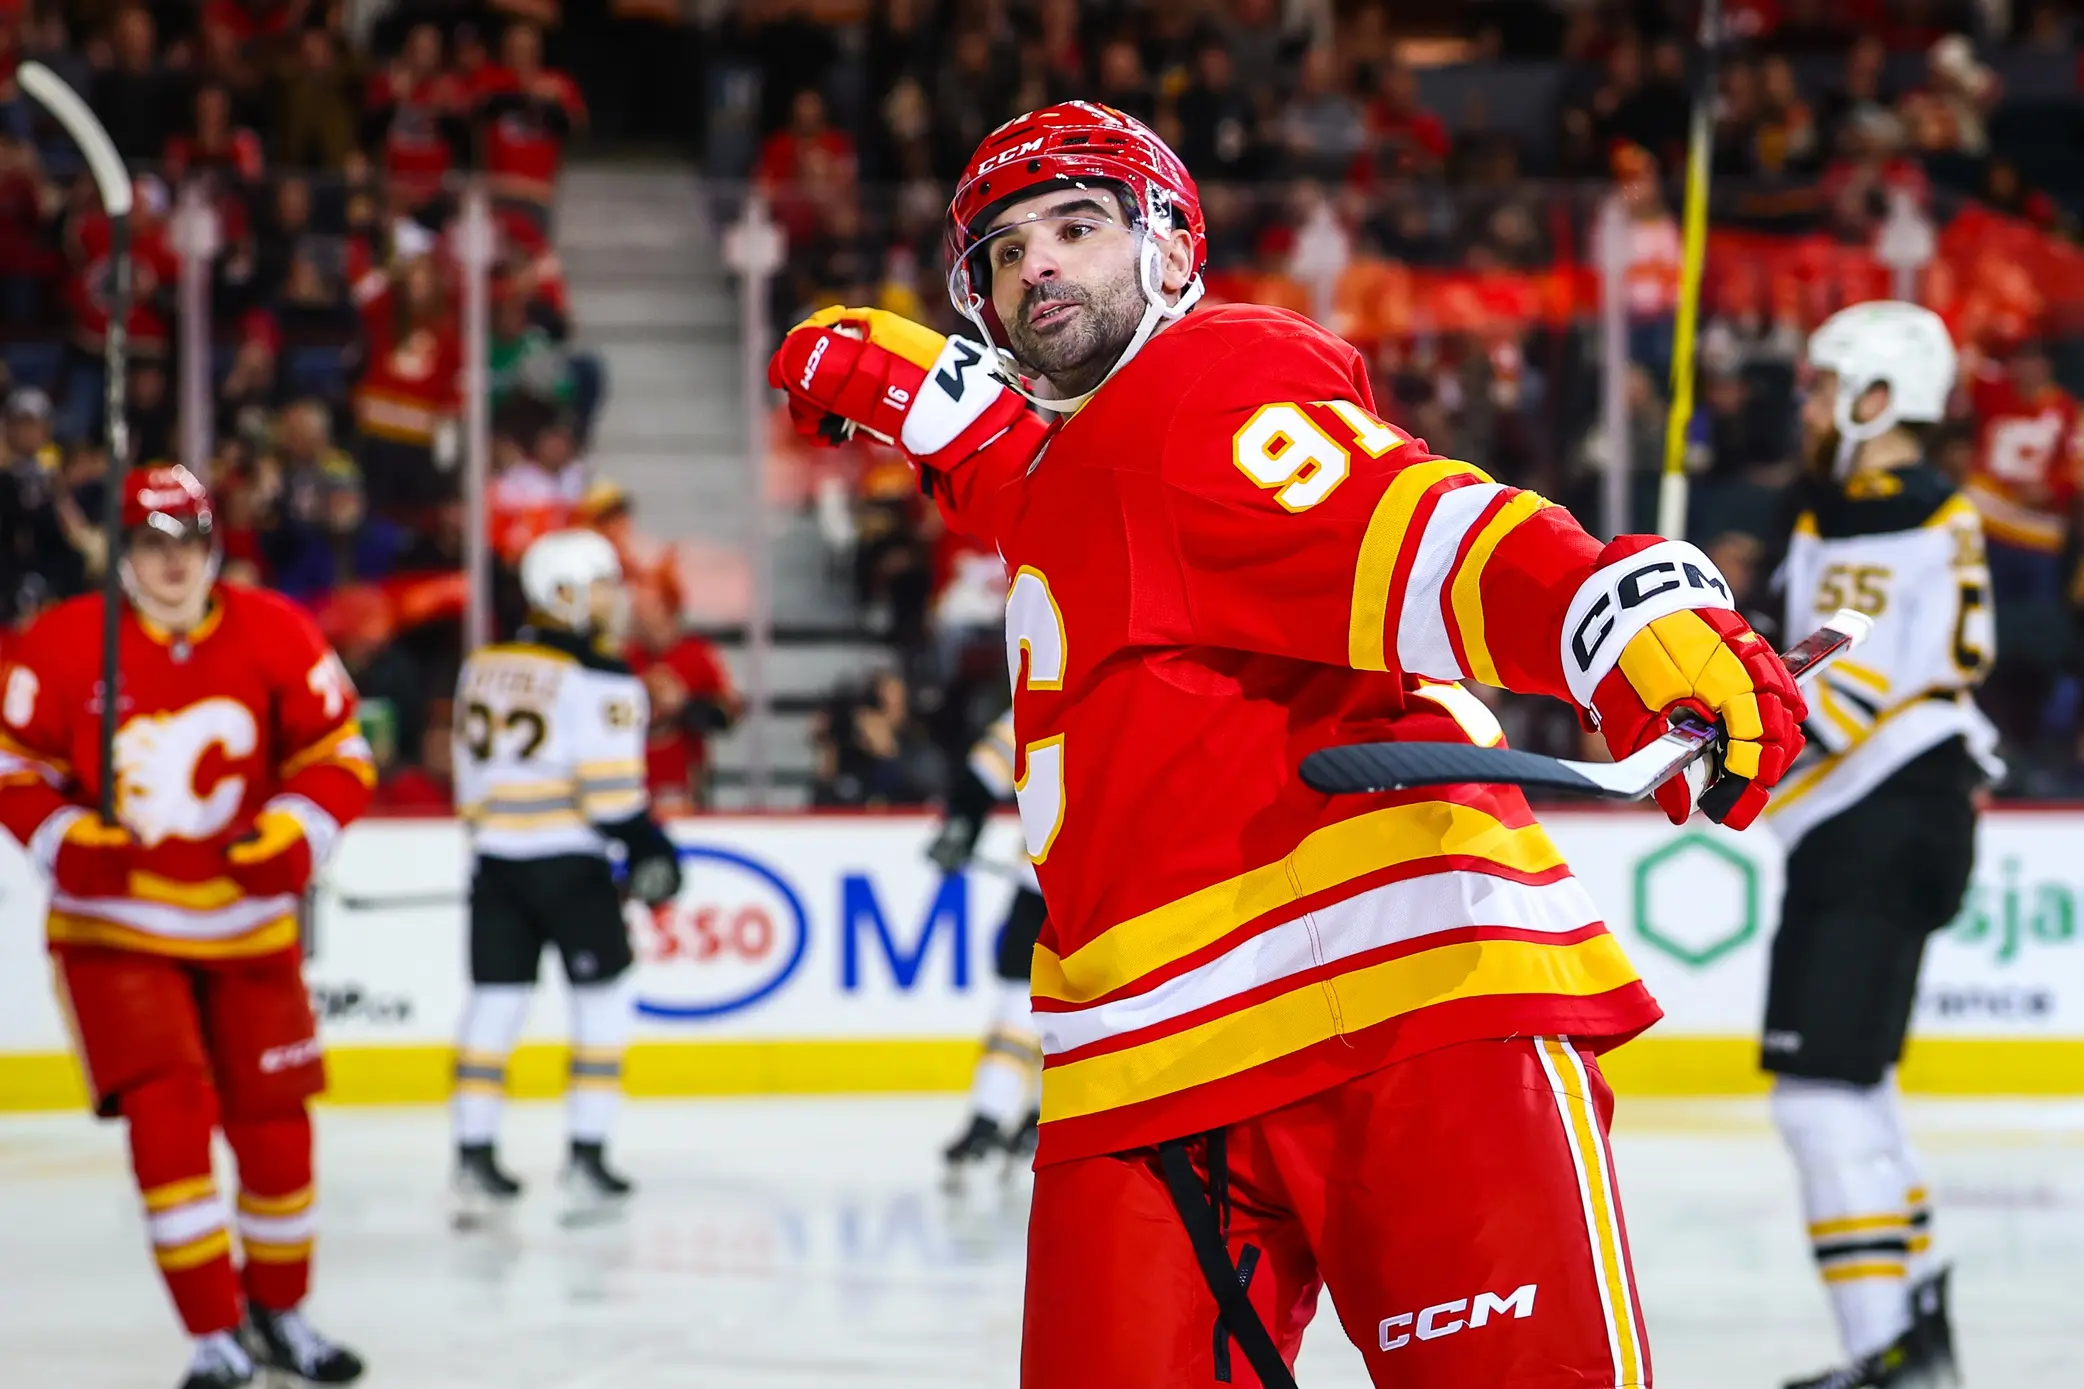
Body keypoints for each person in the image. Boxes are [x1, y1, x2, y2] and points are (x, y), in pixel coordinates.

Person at [768, 102, 1807, 1388]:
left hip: (1398, 1005)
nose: (1034, 264)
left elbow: (1404, 526)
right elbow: (1090, 510)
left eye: (1076, 227)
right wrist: (952, 427)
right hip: (1138, 1052)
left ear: (1167, 247)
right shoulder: (1061, 468)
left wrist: (1606, 617)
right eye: (1003, 251)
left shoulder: (1209, 373)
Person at [0, 465, 373, 1389]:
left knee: (277, 1129)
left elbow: (340, 754)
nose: (174, 563)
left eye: (189, 542)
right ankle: (214, 1332)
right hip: (116, 929)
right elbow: (13, 762)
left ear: (214, 543)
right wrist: (61, 835)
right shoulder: (64, 642)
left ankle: (280, 1312)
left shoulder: (275, 629)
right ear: (124, 552)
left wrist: (293, 834)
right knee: (170, 1123)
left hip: (247, 928)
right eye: (153, 544)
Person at [1764, 301, 1999, 1389]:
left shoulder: (1873, 507)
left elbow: (1835, 691)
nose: (1806, 407)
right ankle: (1912, 1340)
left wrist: (1695, 741)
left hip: (1873, 817)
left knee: (1817, 1099)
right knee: (1857, 1093)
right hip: (1913, 809)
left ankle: (1881, 1361)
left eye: (1821, 387)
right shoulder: (1910, 506)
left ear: (1873, 400)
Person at [448, 529, 684, 1222]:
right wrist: (654, 851)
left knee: (493, 1006)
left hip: (495, 863)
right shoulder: (603, 677)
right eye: (602, 585)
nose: (613, 600)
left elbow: (467, 780)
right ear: (565, 593)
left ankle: (473, 1151)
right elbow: (611, 798)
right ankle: (586, 1152)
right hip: (570, 869)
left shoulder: (481, 664)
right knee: (602, 1004)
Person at [926, 708, 1044, 1176]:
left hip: (1047, 882)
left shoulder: (1045, 683)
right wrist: (961, 825)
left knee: (1027, 1003)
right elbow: (983, 773)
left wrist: (961, 825)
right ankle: (1022, 1116)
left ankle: (996, 1117)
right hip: (1078, 888)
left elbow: (981, 774)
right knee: (1046, 1004)